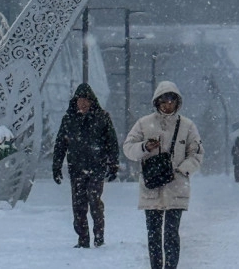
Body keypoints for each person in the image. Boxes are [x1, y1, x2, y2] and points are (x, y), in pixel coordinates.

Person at [123, 81, 204, 269]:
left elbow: (197, 153)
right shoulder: (143, 123)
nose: (168, 104)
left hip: (177, 186)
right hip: (151, 187)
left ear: (177, 102)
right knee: (153, 236)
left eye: (171, 100)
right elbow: (128, 148)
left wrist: (182, 170)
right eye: (164, 100)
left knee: (171, 235)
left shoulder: (187, 126)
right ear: (157, 101)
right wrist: (144, 147)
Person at [52, 83, 120, 248]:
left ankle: (98, 237)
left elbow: (112, 142)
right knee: (78, 205)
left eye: (85, 100)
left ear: (91, 101)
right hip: (76, 168)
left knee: (94, 201)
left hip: (97, 167)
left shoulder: (102, 118)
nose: (82, 103)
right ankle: (83, 239)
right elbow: (61, 143)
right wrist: (56, 165)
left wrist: (113, 164)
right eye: (79, 100)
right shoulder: (69, 119)